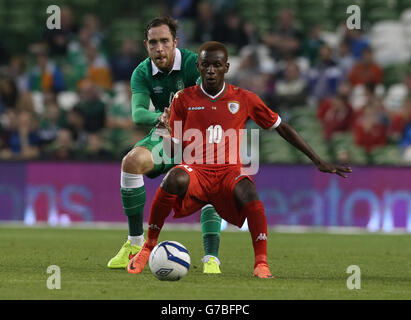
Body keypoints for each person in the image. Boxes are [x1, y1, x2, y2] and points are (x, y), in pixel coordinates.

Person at [126, 41, 352, 278]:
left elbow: (281, 127)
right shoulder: (183, 99)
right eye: (205, 65)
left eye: (216, 65)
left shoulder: (244, 98)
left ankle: (261, 263)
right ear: (199, 67)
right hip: (196, 171)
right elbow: (173, 142)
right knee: (173, 178)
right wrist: (166, 138)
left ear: (226, 67)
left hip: (228, 173)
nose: (211, 70)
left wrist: (317, 160)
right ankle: (148, 247)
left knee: (248, 190)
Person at [107, 16, 223, 274]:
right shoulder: (141, 71)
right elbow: (137, 114)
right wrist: (161, 117)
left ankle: (211, 258)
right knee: (131, 162)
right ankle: (135, 245)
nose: (159, 48)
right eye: (153, 43)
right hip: (166, 137)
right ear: (145, 45)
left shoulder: (196, 64)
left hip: (200, 139)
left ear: (175, 43)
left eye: (164, 41)